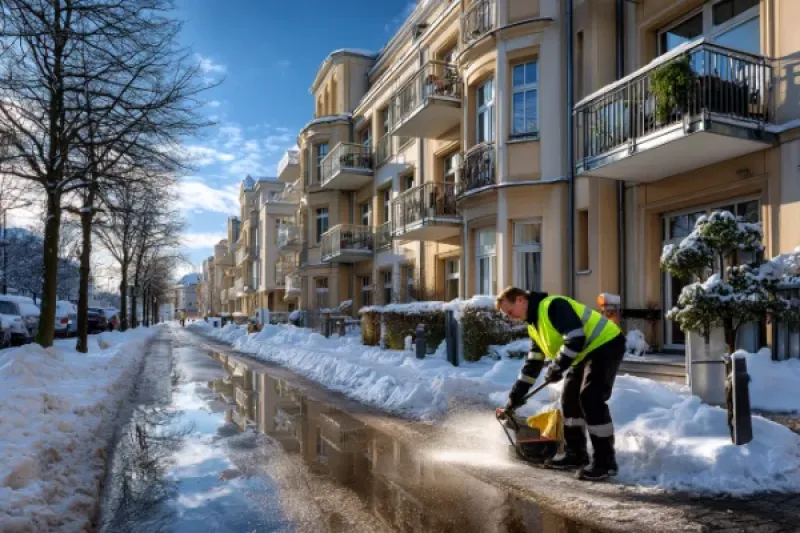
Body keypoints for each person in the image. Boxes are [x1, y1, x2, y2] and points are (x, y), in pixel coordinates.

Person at [495, 286, 625, 481]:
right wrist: (515, 396)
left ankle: (605, 463)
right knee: (569, 400)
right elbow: (533, 364)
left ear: (520, 300)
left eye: (510, 311)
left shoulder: (553, 306)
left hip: (605, 344)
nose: (510, 317)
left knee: (591, 398)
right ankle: (576, 454)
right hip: (582, 354)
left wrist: (557, 367)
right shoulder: (534, 325)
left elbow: (575, 337)